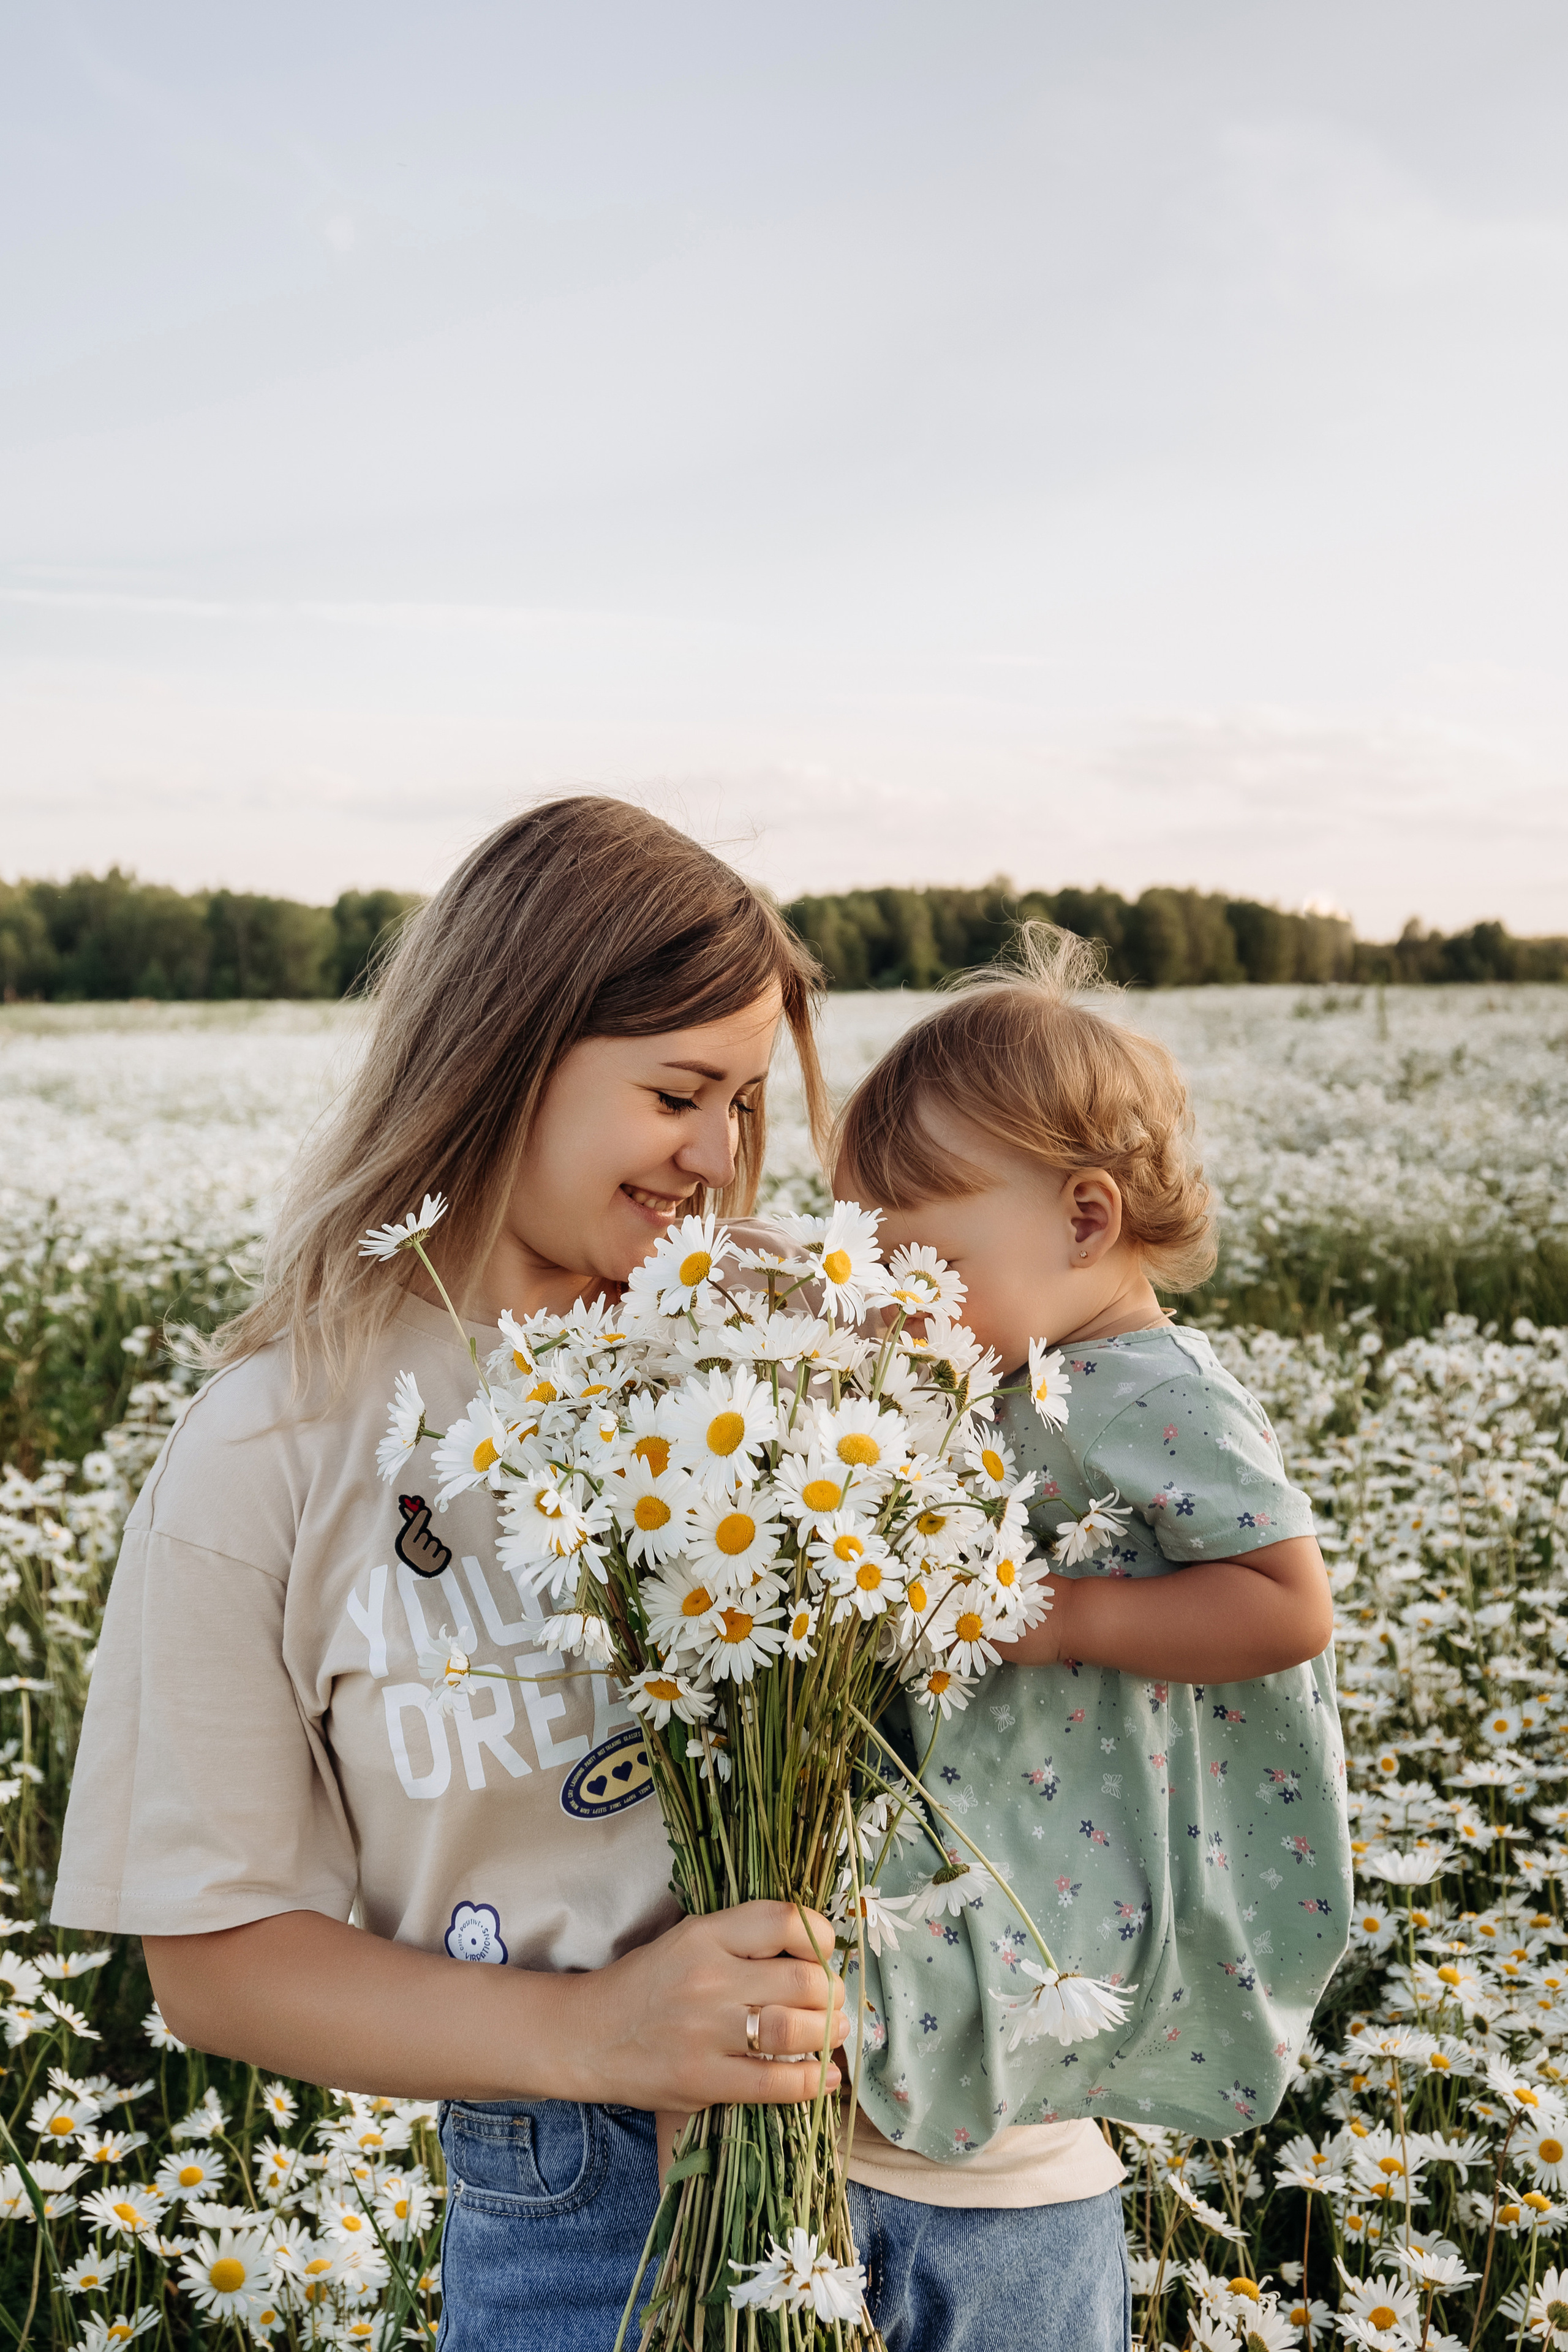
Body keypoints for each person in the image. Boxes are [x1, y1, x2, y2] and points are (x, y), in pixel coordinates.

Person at [50, 804, 1125, 2352]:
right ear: (499, 1051)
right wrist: (591, 2035)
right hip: (596, 2211)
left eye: (744, 1103)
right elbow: (214, 1963)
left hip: (1006, 2184)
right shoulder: (269, 1449)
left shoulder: (813, 1354)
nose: (716, 1156)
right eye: (676, 1092)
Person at [829, 924, 1344, 2342]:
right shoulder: (1024, 1367)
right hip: (1035, 1769)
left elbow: (1281, 1602)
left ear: (1083, 1220)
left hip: (1108, 1776)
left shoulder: (1152, 1383)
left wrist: (1059, 1623)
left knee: (1042, 1947)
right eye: (869, 1256)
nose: (889, 1293)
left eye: (920, 1252)